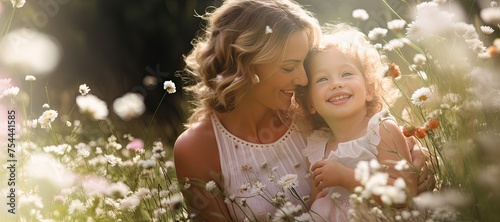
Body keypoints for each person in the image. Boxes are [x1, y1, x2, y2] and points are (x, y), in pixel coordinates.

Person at [174, 1, 431, 221]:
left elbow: (375, 140)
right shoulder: (196, 149)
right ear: (245, 67)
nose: (303, 80)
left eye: (304, 65)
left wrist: (419, 157)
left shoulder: (312, 113)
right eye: (289, 68)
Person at [296, 23, 418, 221]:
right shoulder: (316, 149)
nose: (336, 83)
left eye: (346, 74)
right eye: (322, 79)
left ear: (369, 90)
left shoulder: (381, 131)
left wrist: (345, 177)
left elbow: (405, 193)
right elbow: (316, 204)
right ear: (311, 103)